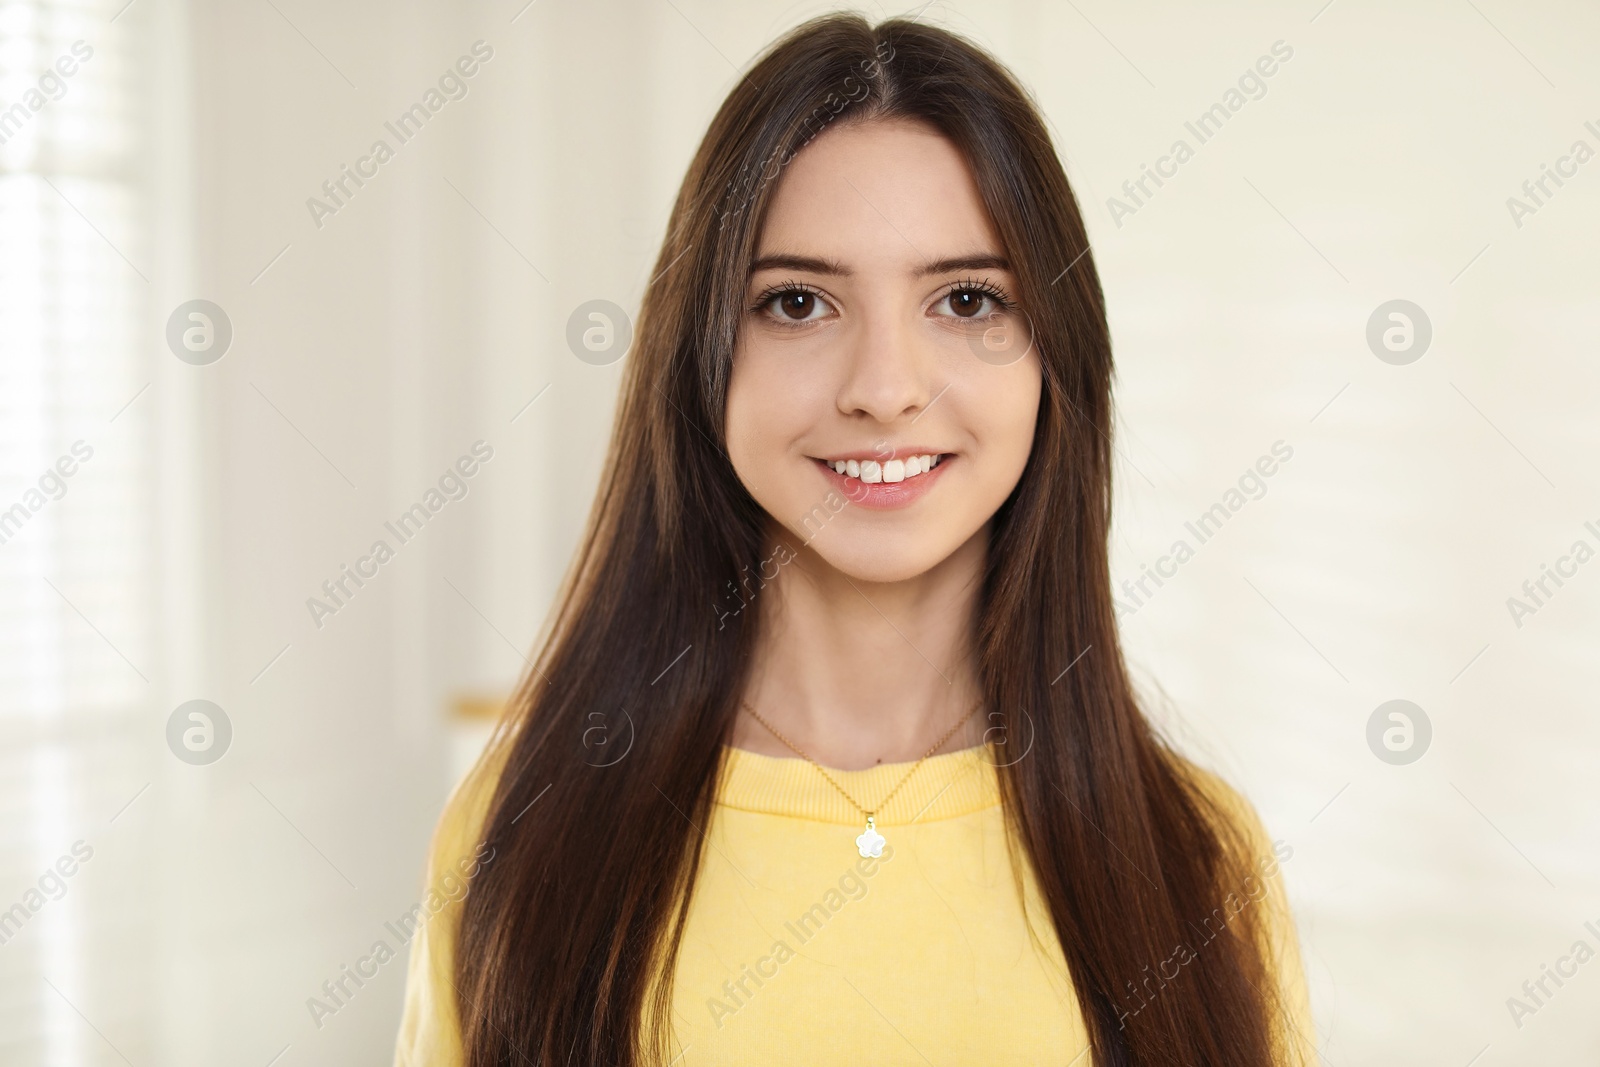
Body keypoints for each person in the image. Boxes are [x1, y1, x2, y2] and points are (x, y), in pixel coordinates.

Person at [394, 12, 1316, 1066]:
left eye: (966, 298)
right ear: (700, 356)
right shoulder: (525, 829)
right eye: (797, 302)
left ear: (1054, 358)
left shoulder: (1198, 860)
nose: (884, 389)